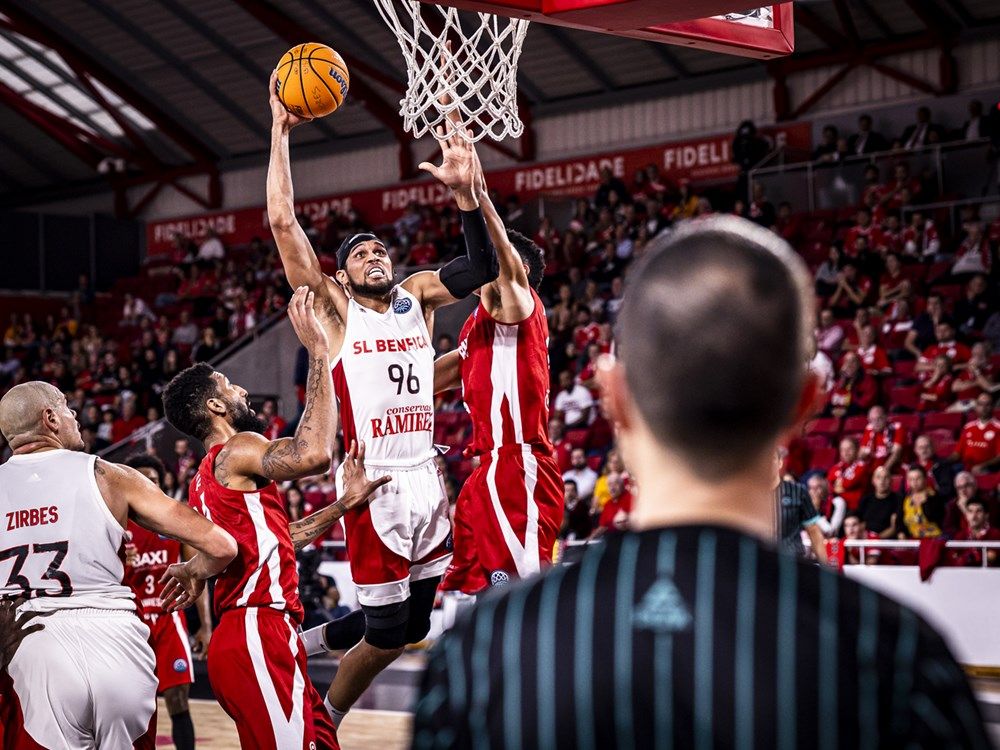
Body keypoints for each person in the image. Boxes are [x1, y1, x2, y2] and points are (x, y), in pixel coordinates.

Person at [412, 215, 989, 747]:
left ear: (613, 395)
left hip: (508, 470)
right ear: (804, 402)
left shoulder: (484, 648)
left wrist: (472, 200)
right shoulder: (900, 658)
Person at [268, 76, 499, 729]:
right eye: (360, 252)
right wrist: (281, 133)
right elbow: (284, 222)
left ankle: (304, 643)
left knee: (412, 622)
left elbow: (480, 267)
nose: (375, 254)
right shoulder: (337, 311)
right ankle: (325, 718)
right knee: (389, 634)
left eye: (380, 249)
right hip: (375, 485)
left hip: (428, 471)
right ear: (341, 274)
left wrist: (466, 197)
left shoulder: (417, 296)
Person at [163, 288, 386, 749]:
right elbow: (314, 454)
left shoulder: (205, 481)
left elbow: (279, 537)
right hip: (255, 629)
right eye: (229, 385)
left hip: (254, 635)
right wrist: (318, 353)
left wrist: (343, 505)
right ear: (215, 407)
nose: (241, 389)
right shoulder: (237, 448)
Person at [0, 381, 236, 749]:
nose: (74, 414)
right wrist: (192, 572)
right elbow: (221, 545)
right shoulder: (110, 475)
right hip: (117, 644)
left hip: (35, 651)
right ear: (50, 419)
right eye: (66, 406)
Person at [431, 145, 564, 595]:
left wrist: (473, 194)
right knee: (480, 594)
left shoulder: (519, 307)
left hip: (517, 465)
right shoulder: (474, 330)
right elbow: (421, 383)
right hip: (484, 470)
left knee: (522, 600)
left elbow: (501, 259)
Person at [123, 453, 212, 750]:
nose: (150, 485)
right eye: (143, 480)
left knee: (178, 700)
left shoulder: (177, 519)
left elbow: (198, 574)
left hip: (168, 619)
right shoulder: (113, 523)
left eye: (155, 480)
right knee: (134, 708)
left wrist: (206, 627)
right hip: (130, 626)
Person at [950, 392, 1000, 474]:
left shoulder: (998, 428)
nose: (984, 408)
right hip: (964, 467)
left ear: (993, 406)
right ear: (976, 406)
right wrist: (944, 461)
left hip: (987, 468)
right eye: (980, 404)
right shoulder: (968, 427)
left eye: (987, 404)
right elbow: (957, 453)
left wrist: (983, 465)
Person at [950, 499, 1000, 567]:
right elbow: (954, 558)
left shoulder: (996, 534)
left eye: (978, 511)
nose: (974, 515)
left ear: (986, 515)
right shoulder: (960, 535)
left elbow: (993, 557)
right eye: (970, 511)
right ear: (966, 515)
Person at [858, 406, 907, 473]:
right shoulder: (869, 429)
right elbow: (861, 454)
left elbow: (896, 453)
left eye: (879, 418)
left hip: (893, 469)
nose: (876, 422)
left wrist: (883, 470)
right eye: (872, 420)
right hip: (874, 470)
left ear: (886, 417)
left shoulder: (896, 427)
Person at [858, 465, 901, 538]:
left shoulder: (898, 499)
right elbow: (860, 523)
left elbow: (894, 527)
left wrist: (876, 539)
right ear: (873, 480)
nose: (882, 481)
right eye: (878, 477)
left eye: (886, 477)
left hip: (886, 541)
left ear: (891, 480)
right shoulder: (866, 499)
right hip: (866, 540)